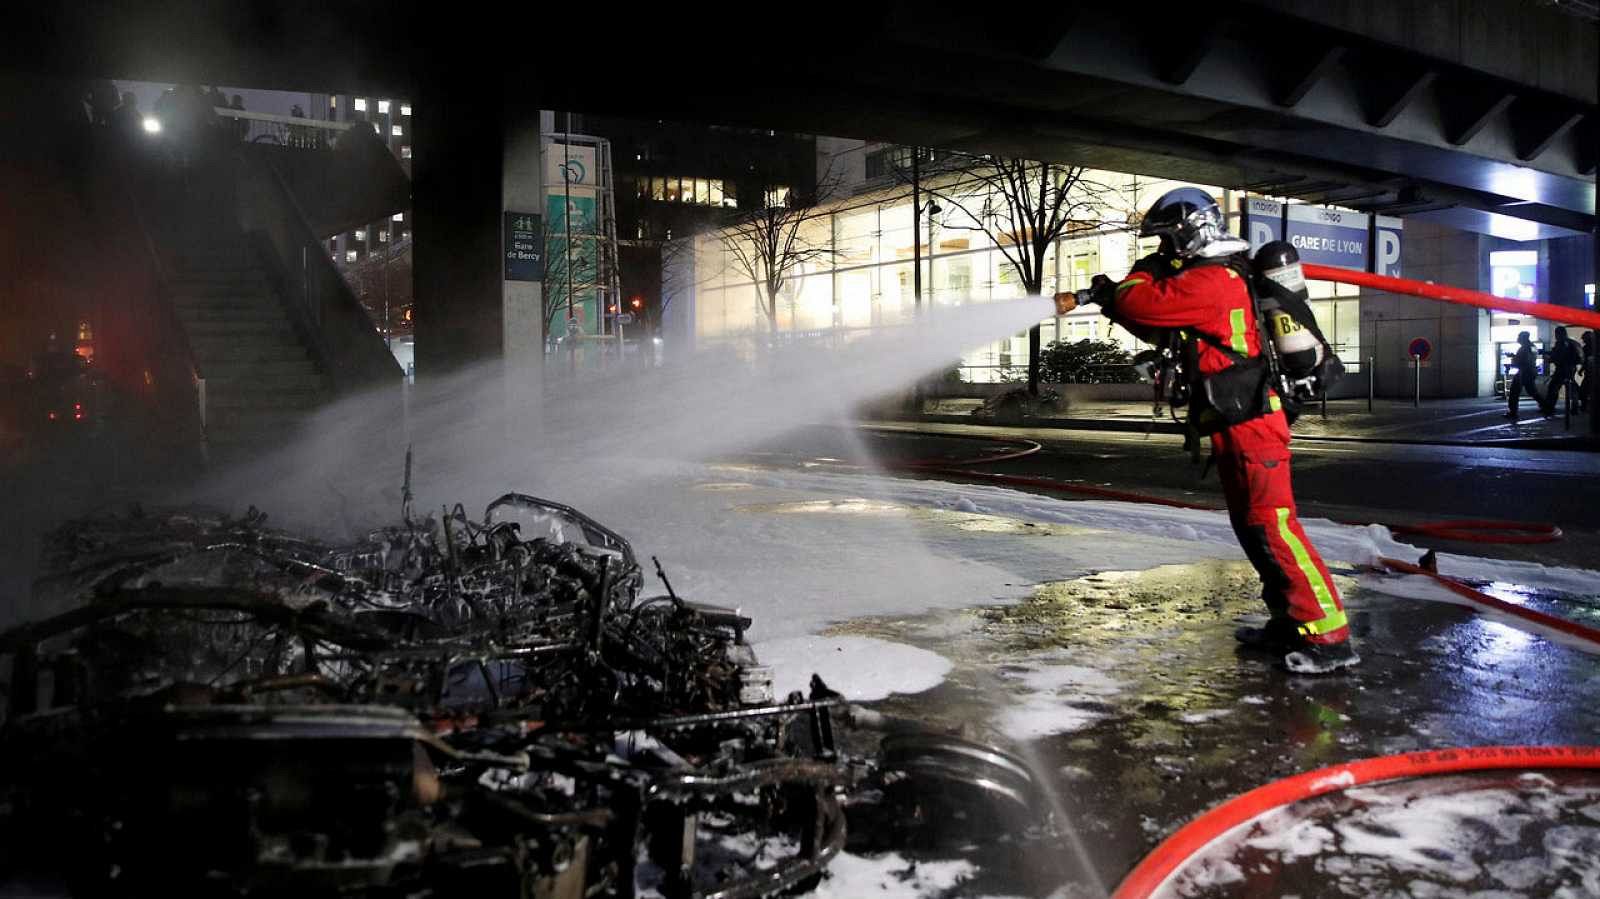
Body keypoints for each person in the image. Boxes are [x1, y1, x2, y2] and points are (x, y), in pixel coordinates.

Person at [1055, 188, 1357, 674]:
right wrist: (1113, 298)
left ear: (1189, 233)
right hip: (1235, 421)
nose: (1163, 252)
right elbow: (1158, 326)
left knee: (1274, 526)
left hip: (1253, 423)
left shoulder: (1213, 280)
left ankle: (1328, 633)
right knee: (1254, 527)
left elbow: (1142, 303)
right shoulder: (1210, 280)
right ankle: (1290, 622)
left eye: (1167, 242)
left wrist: (1134, 280)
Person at [1505, 331, 1548, 420]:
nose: (1518, 338)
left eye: (1519, 336)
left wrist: (1513, 358)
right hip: (1530, 371)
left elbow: (1523, 360)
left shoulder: (1524, 348)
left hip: (1524, 371)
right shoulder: (1532, 347)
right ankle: (1546, 406)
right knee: (1532, 391)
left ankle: (1513, 412)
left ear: (1523, 338)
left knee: (1514, 391)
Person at [1543, 326, 1583, 414]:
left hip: (1562, 368)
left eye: (1556, 334)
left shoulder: (1561, 342)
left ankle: (1549, 407)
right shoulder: (1573, 342)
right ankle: (1575, 407)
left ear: (1559, 334)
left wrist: (1550, 359)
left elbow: (1559, 355)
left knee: (1553, 387)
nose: (1555, 336)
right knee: (1572, 386)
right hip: (1571, 367)